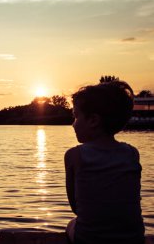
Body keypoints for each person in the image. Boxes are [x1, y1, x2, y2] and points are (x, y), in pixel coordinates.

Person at [64, 80, 145, 244]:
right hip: (133, 239)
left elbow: (76, 208)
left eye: (76, 116)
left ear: (93, 120)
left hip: (89, 239)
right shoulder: (131, 153)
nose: (73, 124)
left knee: (71, 224)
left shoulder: (74, 155)